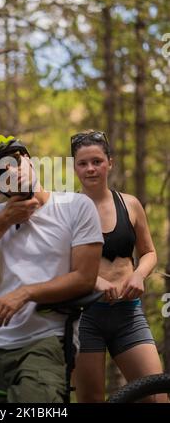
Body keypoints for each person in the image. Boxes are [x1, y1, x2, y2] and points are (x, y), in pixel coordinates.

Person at [0, 135, 104, 403]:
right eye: (0, 172)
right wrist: (5, 220)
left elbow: (85, 278)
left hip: (46, 340)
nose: (11, 171)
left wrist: (25, 293)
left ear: (29, 161)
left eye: (14, 161)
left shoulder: (75, 206)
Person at [70, 130, 166, 403]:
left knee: (156, 396)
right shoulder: (66, 209)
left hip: (128, 316)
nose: (91, 168)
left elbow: (149, 252)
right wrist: (94, 281)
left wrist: (138, 274)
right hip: (84, 318)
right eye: (83, 163)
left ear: (110, 162)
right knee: (92, 400)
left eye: (97, 161)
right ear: (74, 167)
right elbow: (59, 262)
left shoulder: (130, 204)